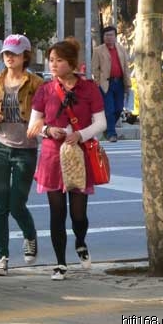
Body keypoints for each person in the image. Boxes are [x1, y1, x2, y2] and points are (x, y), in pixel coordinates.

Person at [26, 38, 106, 281]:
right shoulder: (45, 90)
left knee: (78, 214)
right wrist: (48, 130)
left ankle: (80, 241)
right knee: (57, 213)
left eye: (59, 60)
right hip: (52, 157)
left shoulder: (89, 88)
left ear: (72, 64)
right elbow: (33, 125)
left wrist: (80, 134)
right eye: (51, 60)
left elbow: (101, 123)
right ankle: (60, 263)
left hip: (79, 155)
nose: (53, 64)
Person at [0, 34, 43, 276]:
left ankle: (30, 235)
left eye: (14, 53)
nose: (9, 57)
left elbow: (47, 112)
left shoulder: (37, 83)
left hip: (26, 149)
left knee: (17, 204)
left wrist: (40, 123)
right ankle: (1, 257)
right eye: (6, 53)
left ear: (25, 56)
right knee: (0, 206)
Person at [91, 26, 132, 142]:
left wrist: (128, 83)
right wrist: (98, 82)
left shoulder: (121, 49)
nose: (109, 37)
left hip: (119, 83)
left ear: (115, 36)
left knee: (119, 108)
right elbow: (95, 68)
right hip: (106, 83)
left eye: (111, 35)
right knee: (109, 109)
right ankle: (111, 134)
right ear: (103, 37)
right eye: (106, 35)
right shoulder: (98, 50)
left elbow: (126, 67)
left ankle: (107, 128)